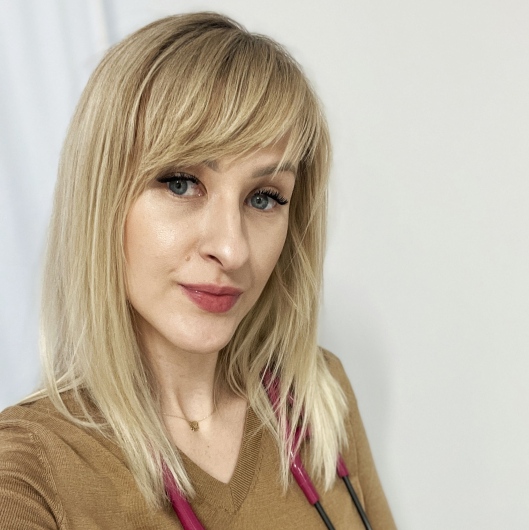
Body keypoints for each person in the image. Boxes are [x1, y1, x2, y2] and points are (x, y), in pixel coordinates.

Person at [0, 12, 396, 530]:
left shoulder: (316, 397)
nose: (232, 249)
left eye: (263, 197)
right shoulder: (29, 472)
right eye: (182, 183)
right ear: (102, 199)